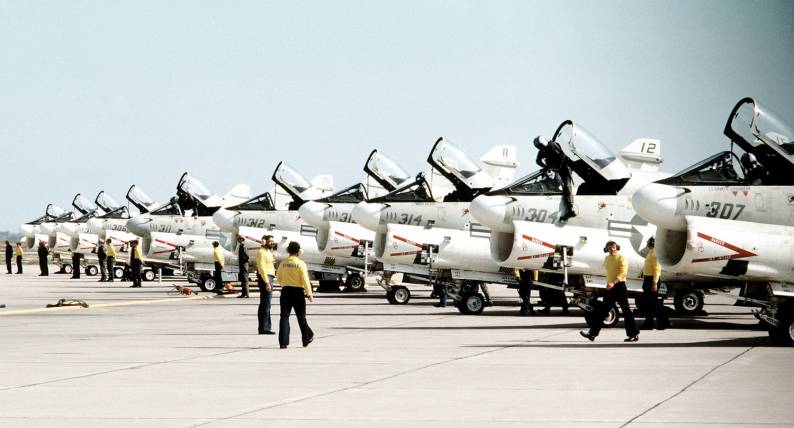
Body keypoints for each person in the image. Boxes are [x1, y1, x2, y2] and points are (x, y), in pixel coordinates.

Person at [580, 241, 639, 342]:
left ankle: (633, 334)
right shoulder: (607, 258)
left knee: (626, 310)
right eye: (610, 247)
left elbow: (623, 273)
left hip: (619, 286)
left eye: (613, 247)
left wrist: (613, 282)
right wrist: (608, 283)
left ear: (617, 248)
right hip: (610, 287)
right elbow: (609, 273)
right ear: (606, 248)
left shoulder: (622, 258)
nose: (612, 249)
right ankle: (592, 334)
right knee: (603, 310)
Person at [276, 241, 314, 349]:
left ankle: (283, 342)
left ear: (288, 251)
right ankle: (305, 340)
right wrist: (309, 294)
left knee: (284, 316)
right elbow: (305, 279)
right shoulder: (301, 264)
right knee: (301, 317)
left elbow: (278, 277)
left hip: (286, 291)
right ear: (298, 251)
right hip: (298, 292)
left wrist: (284, 283)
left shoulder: (283, 263)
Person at [534, 136, 576, 221]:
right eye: (540, 147)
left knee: (567, 185)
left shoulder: (553, 145)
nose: (541, 148)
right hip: (555, 169)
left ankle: (570, 209)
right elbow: (538, 161)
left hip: (564, 168)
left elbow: (562, 156)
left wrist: (553, 167)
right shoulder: (542, 151)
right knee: (549, 181)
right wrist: (546, 167)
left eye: (541, 146)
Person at [640, 237, 670, 330]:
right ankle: (649, 323)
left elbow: (657, 269)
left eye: (648, 241)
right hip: (648, 278)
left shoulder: (655, 253)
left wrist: (654, 283)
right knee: (649, 303)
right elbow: (649, 265)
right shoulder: (651, 252)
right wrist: (643, 273)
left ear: (652, 243)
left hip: (652, 280)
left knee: (654, 304)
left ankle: (663, 322)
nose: (647, 242)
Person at [256, 235, 276, 334]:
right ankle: (264, 328)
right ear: (264, 242)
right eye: (270, 241)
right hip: (266, 278)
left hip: (270, 277)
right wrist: (267, 282)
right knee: (266, 304)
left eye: (272, 241)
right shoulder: (261, 253)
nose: (272, 243)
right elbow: (262, 268)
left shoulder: (268, 252)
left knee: (266, 304)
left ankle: (264, 327)